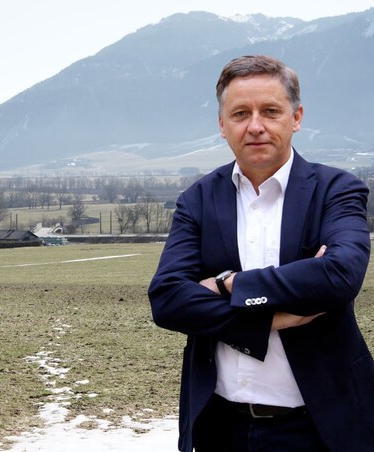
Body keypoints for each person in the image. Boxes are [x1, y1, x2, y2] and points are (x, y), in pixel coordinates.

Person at [148, 55, 374, 451]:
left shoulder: (336, 190)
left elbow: (340, 275)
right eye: (240, 113)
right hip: (219, 427)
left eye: (270, 111)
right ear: (223, 125)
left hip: (323, 428)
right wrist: (267, 320)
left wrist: (227, 284)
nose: (255, 126)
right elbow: (167, 300)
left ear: (296, 117)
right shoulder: (197, 200)